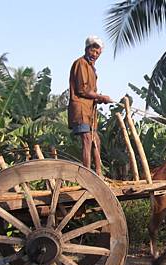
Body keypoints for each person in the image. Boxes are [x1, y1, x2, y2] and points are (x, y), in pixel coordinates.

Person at [68, 35, 112, 176]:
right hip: (80, 108)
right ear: (87, 49)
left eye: (98, 53)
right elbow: (82, 89)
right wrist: (100, 97)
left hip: (90, 110)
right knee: (87, 139)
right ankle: (87, 175)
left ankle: (98, 174)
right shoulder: (81, 63)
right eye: (93, 51)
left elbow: (89, 92)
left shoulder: (92, 68)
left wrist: (99, 99)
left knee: (96, 140)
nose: (95, 55)